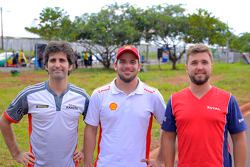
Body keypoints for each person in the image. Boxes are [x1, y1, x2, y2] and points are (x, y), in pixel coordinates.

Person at [143, 43, 247, 167]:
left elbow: (239, 138)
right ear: (186, 67)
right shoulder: (175, 100)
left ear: (211, 66)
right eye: (194, 63)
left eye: (204, 62)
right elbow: (168, 138)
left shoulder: (228, 100)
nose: (199, 67)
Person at [0, 41, 89, 167]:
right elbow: (4, 121)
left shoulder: (82, 96)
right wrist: (16, 153)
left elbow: (94, 123)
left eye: (62, 60)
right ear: (46, 65)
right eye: (53, 60)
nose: (57, 65)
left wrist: (85, 151)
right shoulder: (30, 94)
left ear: (70, 66)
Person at [83, 45, 166, 167]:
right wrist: (87, 162)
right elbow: (90, 129)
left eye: (132, 62)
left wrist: (160, 159)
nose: (127, 66)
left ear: (139, 66)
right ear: (115, 65)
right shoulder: (99, 94)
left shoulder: (152, 95)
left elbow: (168, 128)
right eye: (122, 61)